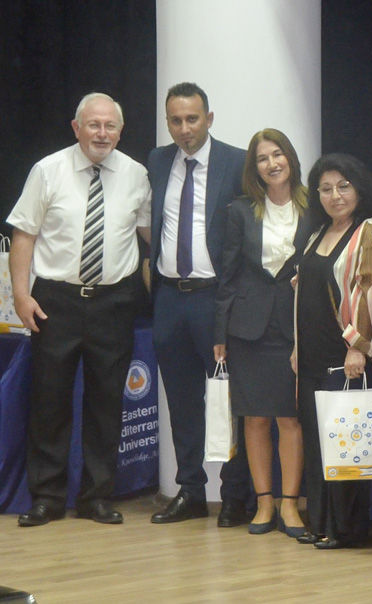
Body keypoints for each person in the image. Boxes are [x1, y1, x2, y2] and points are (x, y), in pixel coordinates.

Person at [8, 92, 150, 527]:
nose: (102, 133)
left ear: (120, 132)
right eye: (94, 125)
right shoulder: (47, 170)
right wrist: (21, 296)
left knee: (107, 403)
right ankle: (47, 497)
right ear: (76, 128)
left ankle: (97, 497)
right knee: (49, 401)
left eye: (110, 126)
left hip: (114, 303)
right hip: (56, 301)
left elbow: (150, 239)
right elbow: (24, 234)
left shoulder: (136, 174)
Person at [148, 82, 251, 526]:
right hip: (170, 298)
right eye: (176, 120)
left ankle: (235, 495)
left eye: (192, 119)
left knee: (228, 399)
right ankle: (190, 490)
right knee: (182, 400)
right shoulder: (157, 161)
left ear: (209, 118)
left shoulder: (237, 162)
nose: (184, 128)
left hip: (217, 298)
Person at [213, 129, 312, 537]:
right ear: (253, 168)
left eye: (277, 154)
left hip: (295, 325)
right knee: (253, 419)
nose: (271, 164)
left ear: (290, 158)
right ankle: (264, 503)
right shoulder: (240, 211)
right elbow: (228, 275)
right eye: (262, 158)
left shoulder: (313, 207)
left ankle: (290, 505)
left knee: (290, 418)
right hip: (247, 328)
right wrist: (219, 332)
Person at [292, 153, 372, 550]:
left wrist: (358, 347)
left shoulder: (369, 232)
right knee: (316, 439)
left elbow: (369, 292)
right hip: (311, 353)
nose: (335, 195)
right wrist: (297, 348)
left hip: (344, 354)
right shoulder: (318, 232)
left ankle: (346, 528)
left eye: (343, 186)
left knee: (345, 439)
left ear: (358, 189)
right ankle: (319, 522)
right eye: (326, 189)